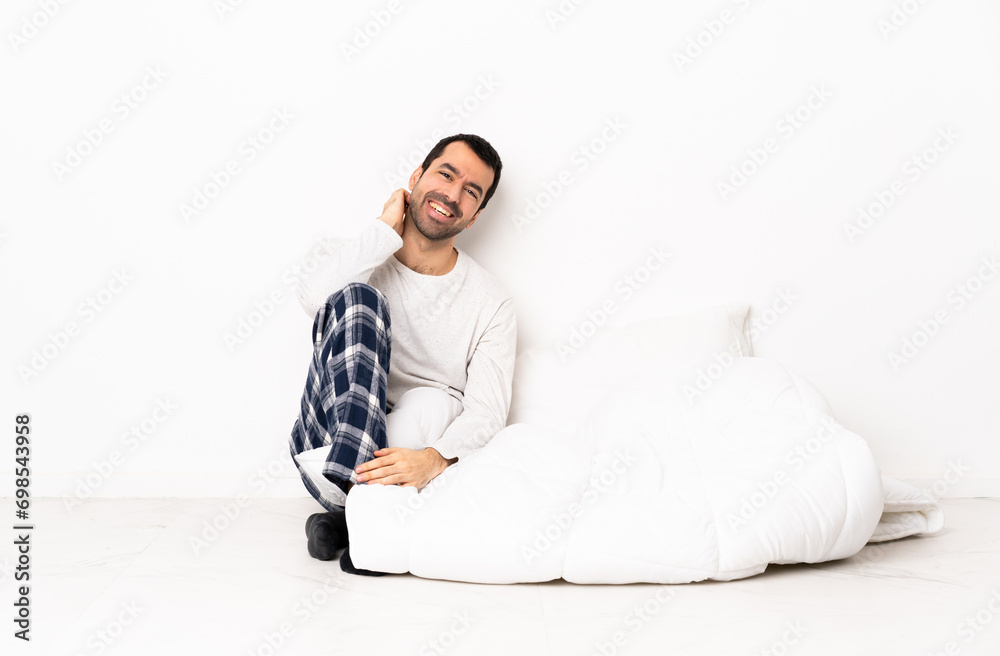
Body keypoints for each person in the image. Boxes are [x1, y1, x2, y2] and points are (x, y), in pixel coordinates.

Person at [287, 134, 516, 575]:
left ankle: (350, 521)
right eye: (446, 175)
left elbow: (487, 411)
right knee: (362, 301)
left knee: (436, 401)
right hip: (328, 443)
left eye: (471, 192)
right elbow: (314, 299)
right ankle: (368, 514)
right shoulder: (356, 254)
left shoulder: (492, 302)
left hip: (411, 460)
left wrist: (434, 459)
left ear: (474, 216)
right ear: (416, 177)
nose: (452, 195)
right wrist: (383, 231)